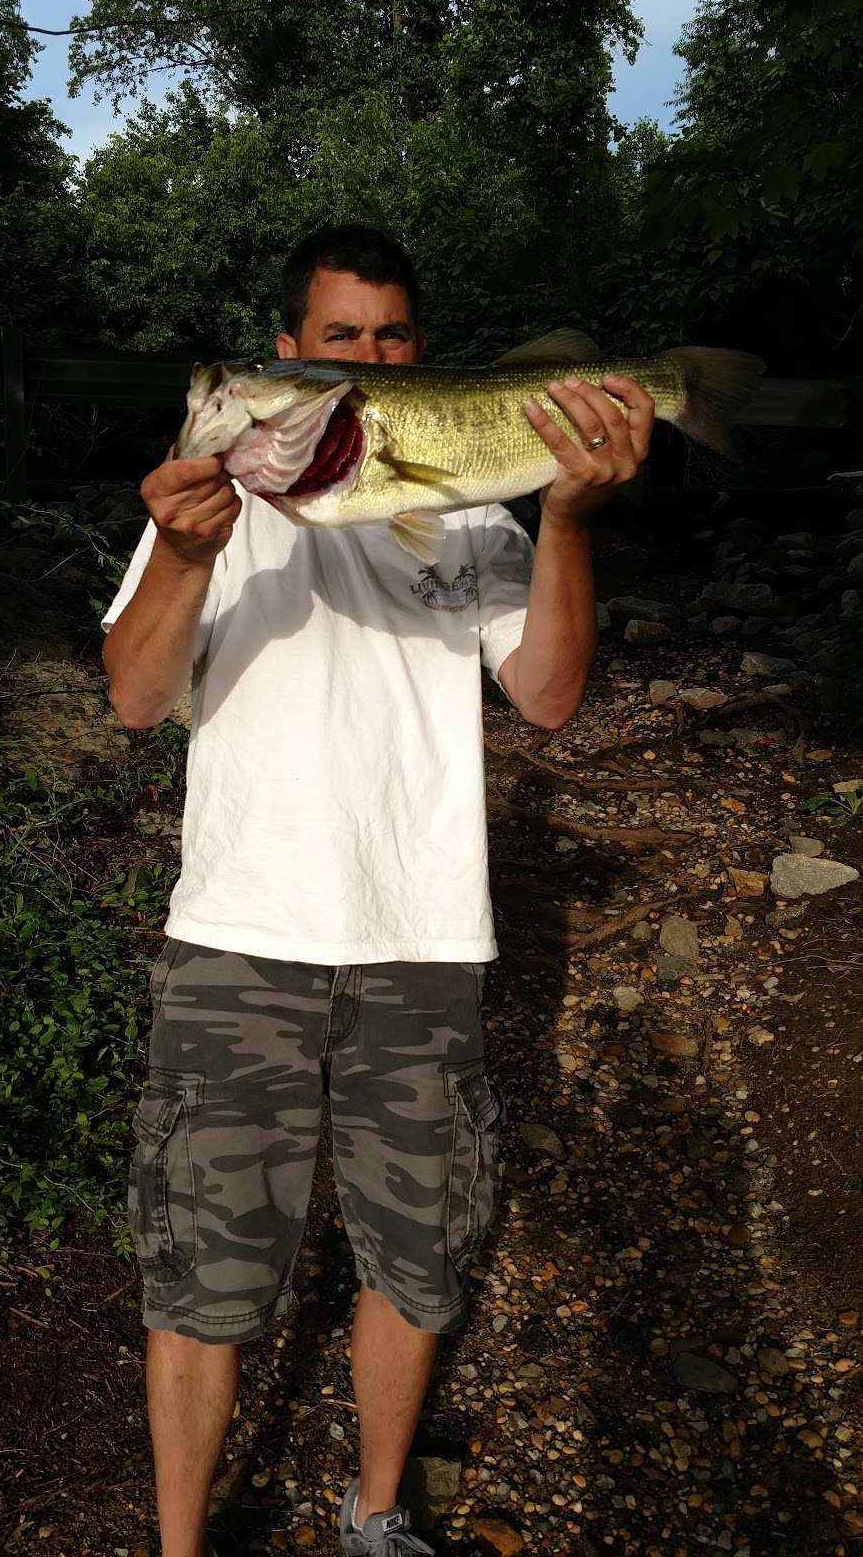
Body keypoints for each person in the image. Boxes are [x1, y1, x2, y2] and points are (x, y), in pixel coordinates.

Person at [102, 224, 655, 1557]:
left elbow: (550, 695)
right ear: (288, 351)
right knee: (201, 1272)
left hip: (423, 940)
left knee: (417, 1252)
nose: (367, 358)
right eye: (338, 338)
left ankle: (375, 1514)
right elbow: (131, 700)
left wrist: (569, 514)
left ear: (416, 355)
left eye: (392, 339)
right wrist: (181, 555)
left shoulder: (468, 503)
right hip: (239, 937)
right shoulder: (206, 508)